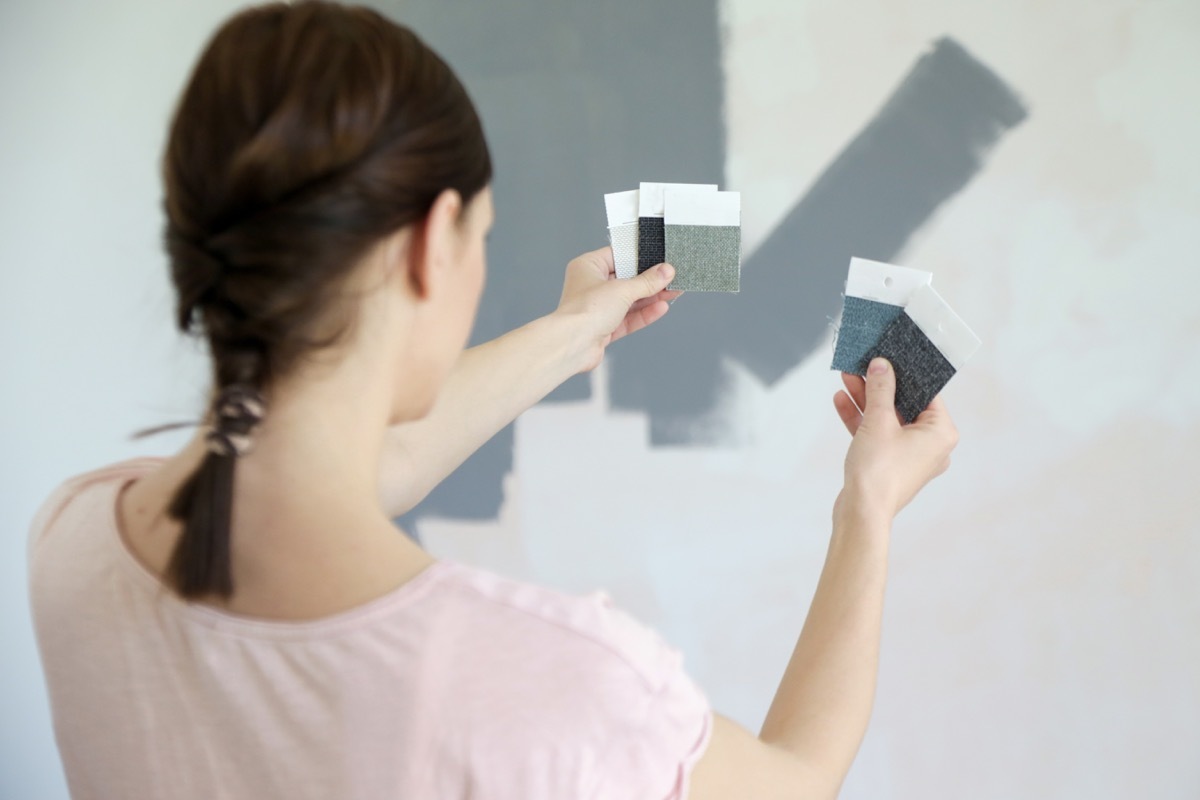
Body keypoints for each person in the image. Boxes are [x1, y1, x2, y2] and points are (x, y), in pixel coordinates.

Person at [27, 2, 959, 798]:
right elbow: (792, 784)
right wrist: (866, 506)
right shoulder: (549, 680)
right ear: (434, 242)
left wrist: (570, 333)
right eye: (482, 234)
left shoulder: (75, 538)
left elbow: (355, 469)